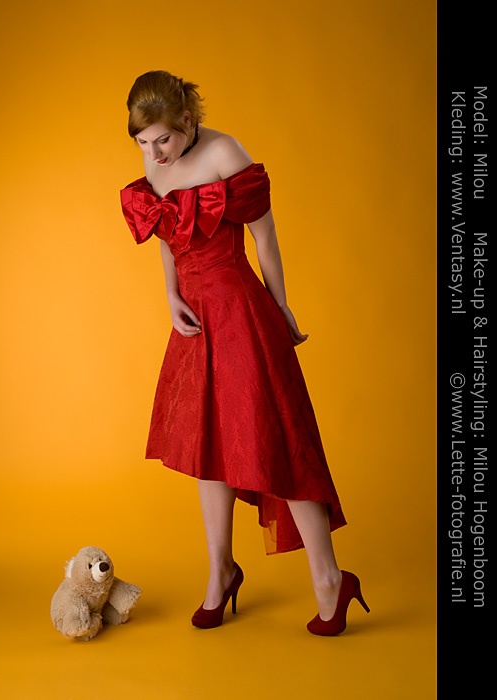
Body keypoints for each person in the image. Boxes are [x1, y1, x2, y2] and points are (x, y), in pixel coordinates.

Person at [120, 70, 369, 635]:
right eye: (142, 142)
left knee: (277, 442)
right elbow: (167, 236)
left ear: (187, 120)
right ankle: (221, 573)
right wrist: (170, 296)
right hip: (195, 320)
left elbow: (265, 239)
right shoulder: (154, 163)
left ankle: (330, 579)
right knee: (207, 445)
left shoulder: (225, 153)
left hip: (239, 310)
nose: (154, 153)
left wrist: (280, 308)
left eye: (163, 139)